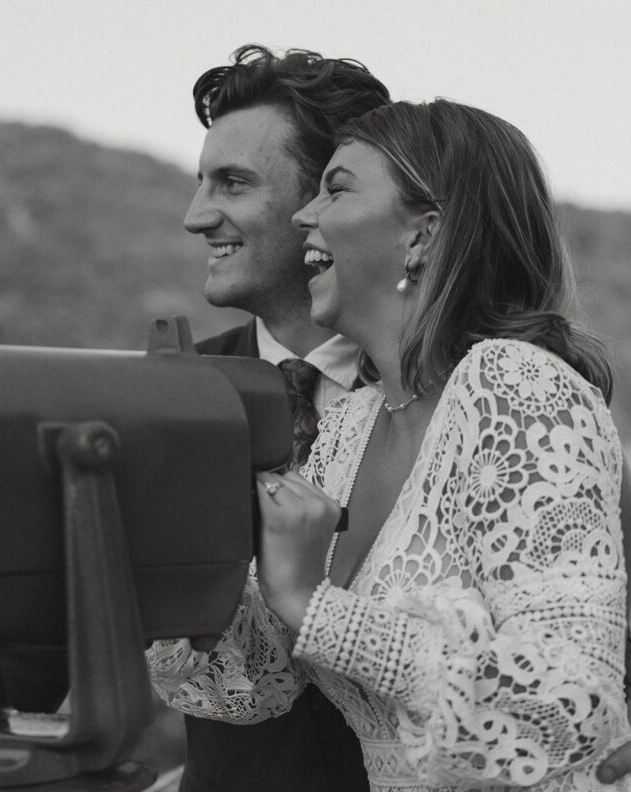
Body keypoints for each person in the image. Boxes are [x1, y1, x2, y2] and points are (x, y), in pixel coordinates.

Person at [148, 99, 630, 790]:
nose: (303, 215)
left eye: (336, 189)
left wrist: (313, 604)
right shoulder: (348, 429)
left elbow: (567, 708)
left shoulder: (514, 386)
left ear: (424, 233)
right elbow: (255, 687)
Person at [183, 44, 390, 791]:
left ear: (327, 199)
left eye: (232, 183)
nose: (195, 216)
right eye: (200, 183)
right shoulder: (172, 395)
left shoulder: (457, 392)